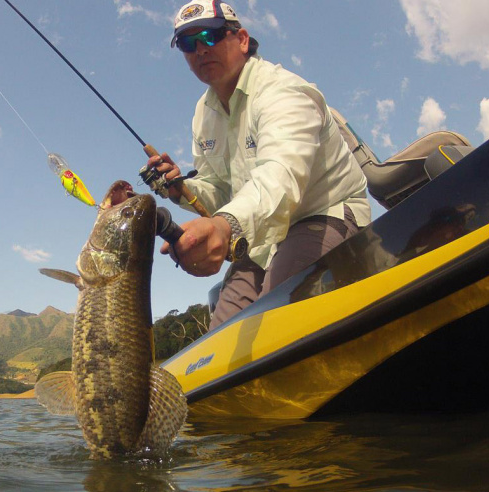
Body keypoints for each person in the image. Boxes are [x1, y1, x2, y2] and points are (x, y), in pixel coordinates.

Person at [148, 0, 371, 329]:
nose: (200, 49)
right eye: (187, 43)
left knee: (274, 323)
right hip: (262, 238)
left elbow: (280, 177)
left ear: (241, 39)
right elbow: (221, 189)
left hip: (321, 214)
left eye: (210, 36)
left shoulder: (284, 91)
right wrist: (181, 189)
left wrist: (225, 228)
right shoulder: (202, 113)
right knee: (222, 338)